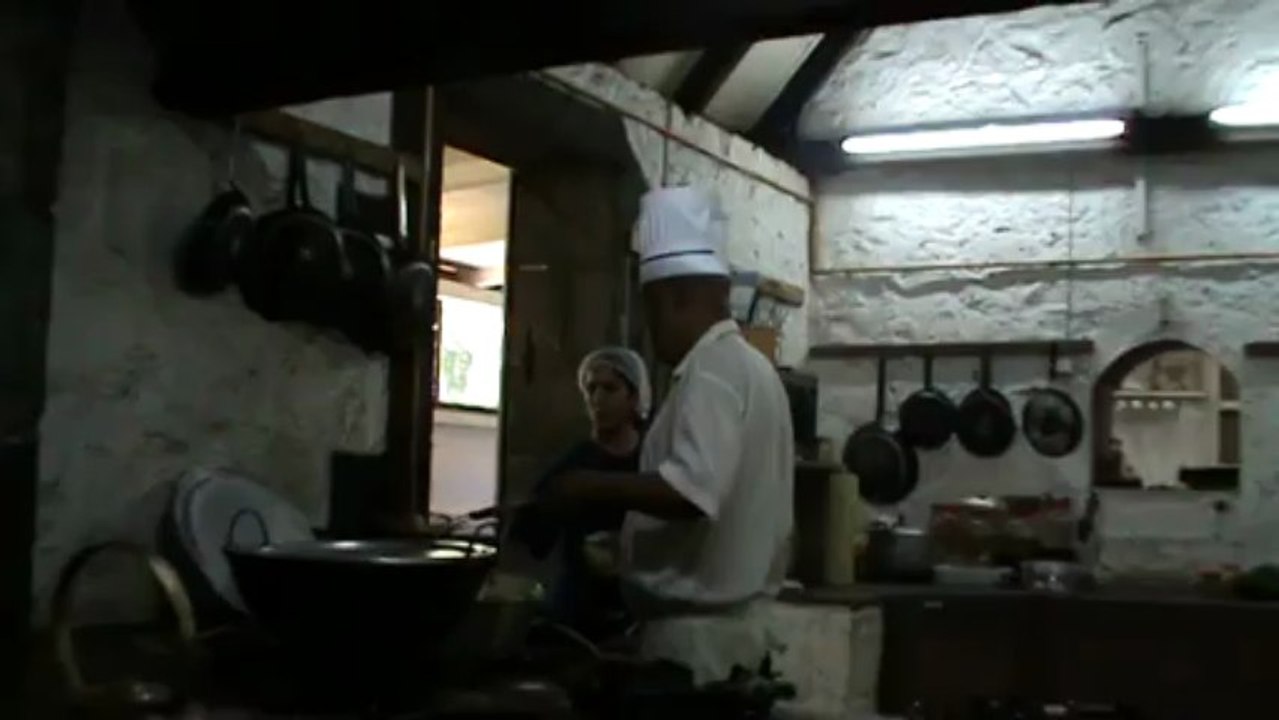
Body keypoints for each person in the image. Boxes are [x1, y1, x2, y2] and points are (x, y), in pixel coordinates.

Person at [533, 186, 795, 685]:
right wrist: (634, 545)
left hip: (694, 653)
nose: (651, 331)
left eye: (651, 312)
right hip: (731, 641)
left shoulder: (710, 372)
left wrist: (583, 484)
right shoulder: (755, 370)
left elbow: (692, 490)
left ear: (677, 299)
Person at [534, 346, 651, 639]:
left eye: (610, 389)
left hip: (640, 602)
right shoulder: (573, 465)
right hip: (577, 606)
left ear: (634, 397)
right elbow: (535, 538)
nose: (598, 399)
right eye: (591, 389)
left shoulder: (653, 459)